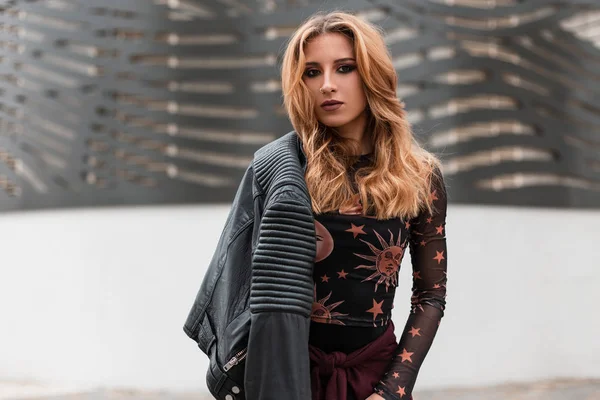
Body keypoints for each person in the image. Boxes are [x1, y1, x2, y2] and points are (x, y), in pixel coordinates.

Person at [278, 10, 449, 400]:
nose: (326, 85)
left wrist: (392, 390)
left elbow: (430, 296)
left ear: (371, 74)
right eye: (311, 72)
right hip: (286, 372)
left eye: (344, 68)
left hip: (375, 375)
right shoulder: (287, 169)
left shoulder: (420, 176)